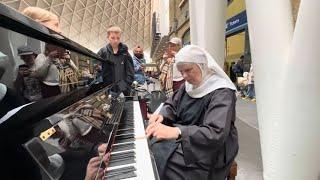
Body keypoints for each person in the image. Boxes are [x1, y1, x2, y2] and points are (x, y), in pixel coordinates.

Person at [146, 45, 238, 180]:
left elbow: (215, 132)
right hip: (189, 139)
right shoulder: (188, 86)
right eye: (181, 71)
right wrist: (162, 115)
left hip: (211, 150)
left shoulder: (222, 92)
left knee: (158, 159)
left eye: (188, 70)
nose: (184, 76)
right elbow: (171, 105)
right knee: (150, 146)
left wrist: (177, 131)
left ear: (202, 66)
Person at [97, 26, 134, 95]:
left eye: (118, 38)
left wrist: (125, 86)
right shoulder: (103, 52)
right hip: (108, 88)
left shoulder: (125, 53)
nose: (116, 40)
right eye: (113, 38)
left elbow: (130, 71)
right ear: (108, 37)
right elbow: (97, 68)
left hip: (123, 88)